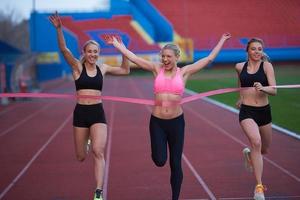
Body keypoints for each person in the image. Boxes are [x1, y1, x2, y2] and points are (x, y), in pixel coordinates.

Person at [104, 33, 231, 200]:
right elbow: (134, 58)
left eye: (168, 56)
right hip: (157, 122)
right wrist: (119, 46)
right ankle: (157, 154)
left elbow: (208, 59)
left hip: (177, 123)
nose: (164, 59)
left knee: (176, 163)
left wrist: (221, 40)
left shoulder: (184, 72)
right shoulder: (156, 69)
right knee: (159, 160)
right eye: (163, 56)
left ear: (177, 57)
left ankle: (175, 198)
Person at [49, 12, 129, 200]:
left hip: (97, 113)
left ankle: (98, 192)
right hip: (81, 114)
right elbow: (63, 49)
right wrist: (59, 29)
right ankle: (86, 141)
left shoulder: (103, 68)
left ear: (98, 53)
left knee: (98, 151)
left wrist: (122, 50)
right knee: (80, 157)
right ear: (85, 53)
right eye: (90, 51)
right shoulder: (77, 67)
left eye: (96, 52)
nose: (93, 54)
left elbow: (125, 70)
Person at [235, 38, 277, 200]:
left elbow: (274, 90)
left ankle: (249, 155)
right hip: (247, 112)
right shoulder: (239, 67)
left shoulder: (267, 66)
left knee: (264, 150)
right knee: (256, 142)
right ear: (248, 51)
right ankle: (259, 188)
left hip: (264, 112)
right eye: (254, 49)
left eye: (260, 49)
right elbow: (240, 83)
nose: (257, 52)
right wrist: (241, 97)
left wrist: (263, 88)